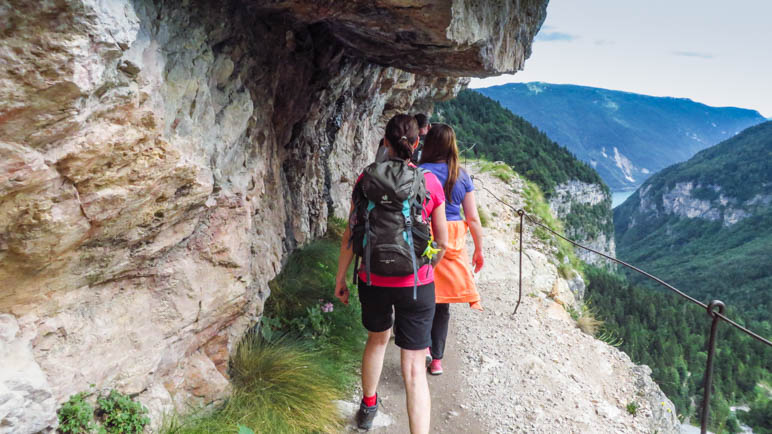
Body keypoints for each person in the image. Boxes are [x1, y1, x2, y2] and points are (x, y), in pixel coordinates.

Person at [335, 114, 449, 433]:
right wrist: (426, 269)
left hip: (372, 278)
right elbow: (443, 240)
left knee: (377, 340)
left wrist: (340, 278)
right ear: (416, 144)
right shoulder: (430, 182)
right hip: (417, 284)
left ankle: (368, 406)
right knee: (413, 368)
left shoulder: (365, 178)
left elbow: (351, 231)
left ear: (385, 142)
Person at [418, 122, 484, 376]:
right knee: (443, 302)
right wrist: (479, 249)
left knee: (423, 294)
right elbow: (473, 218)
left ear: (429, 143)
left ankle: (422, 346)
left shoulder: (420, 171)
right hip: (454, 236)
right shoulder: (462, 175)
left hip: (426, 232)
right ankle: (437, 359)